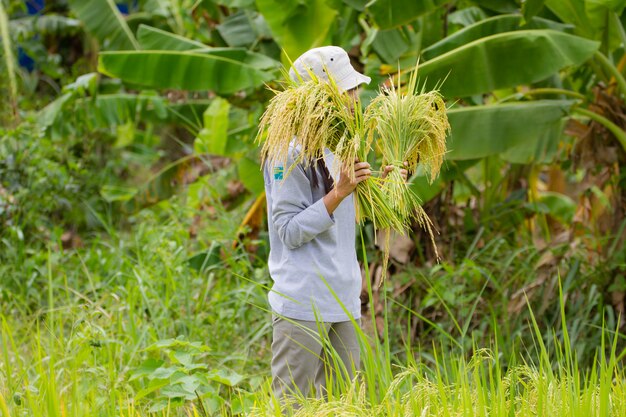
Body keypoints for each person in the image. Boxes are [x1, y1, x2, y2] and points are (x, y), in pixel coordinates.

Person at [263, 46, 407, 401]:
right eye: (347, 92)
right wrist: (339, 192)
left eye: (354, 90)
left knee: (345, 403)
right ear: (319, 97)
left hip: (344, 297)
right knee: (292, 404)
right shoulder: (288, 152)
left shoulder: (340, 146)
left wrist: (388, 185)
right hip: (303, 300)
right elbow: (288, 232)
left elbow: (362, 213)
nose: (356, 99)